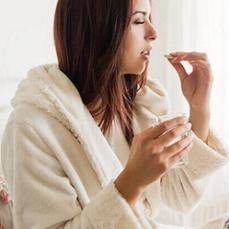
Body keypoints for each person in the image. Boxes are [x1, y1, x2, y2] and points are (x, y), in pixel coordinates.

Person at [1, 0, 229, 228]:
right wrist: (131, 182)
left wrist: (199, 109)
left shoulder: (136, 106)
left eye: (150, 19)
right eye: (139, 21)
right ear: (99, 30)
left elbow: (181, 195)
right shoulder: (30, 127)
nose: (153, 33)